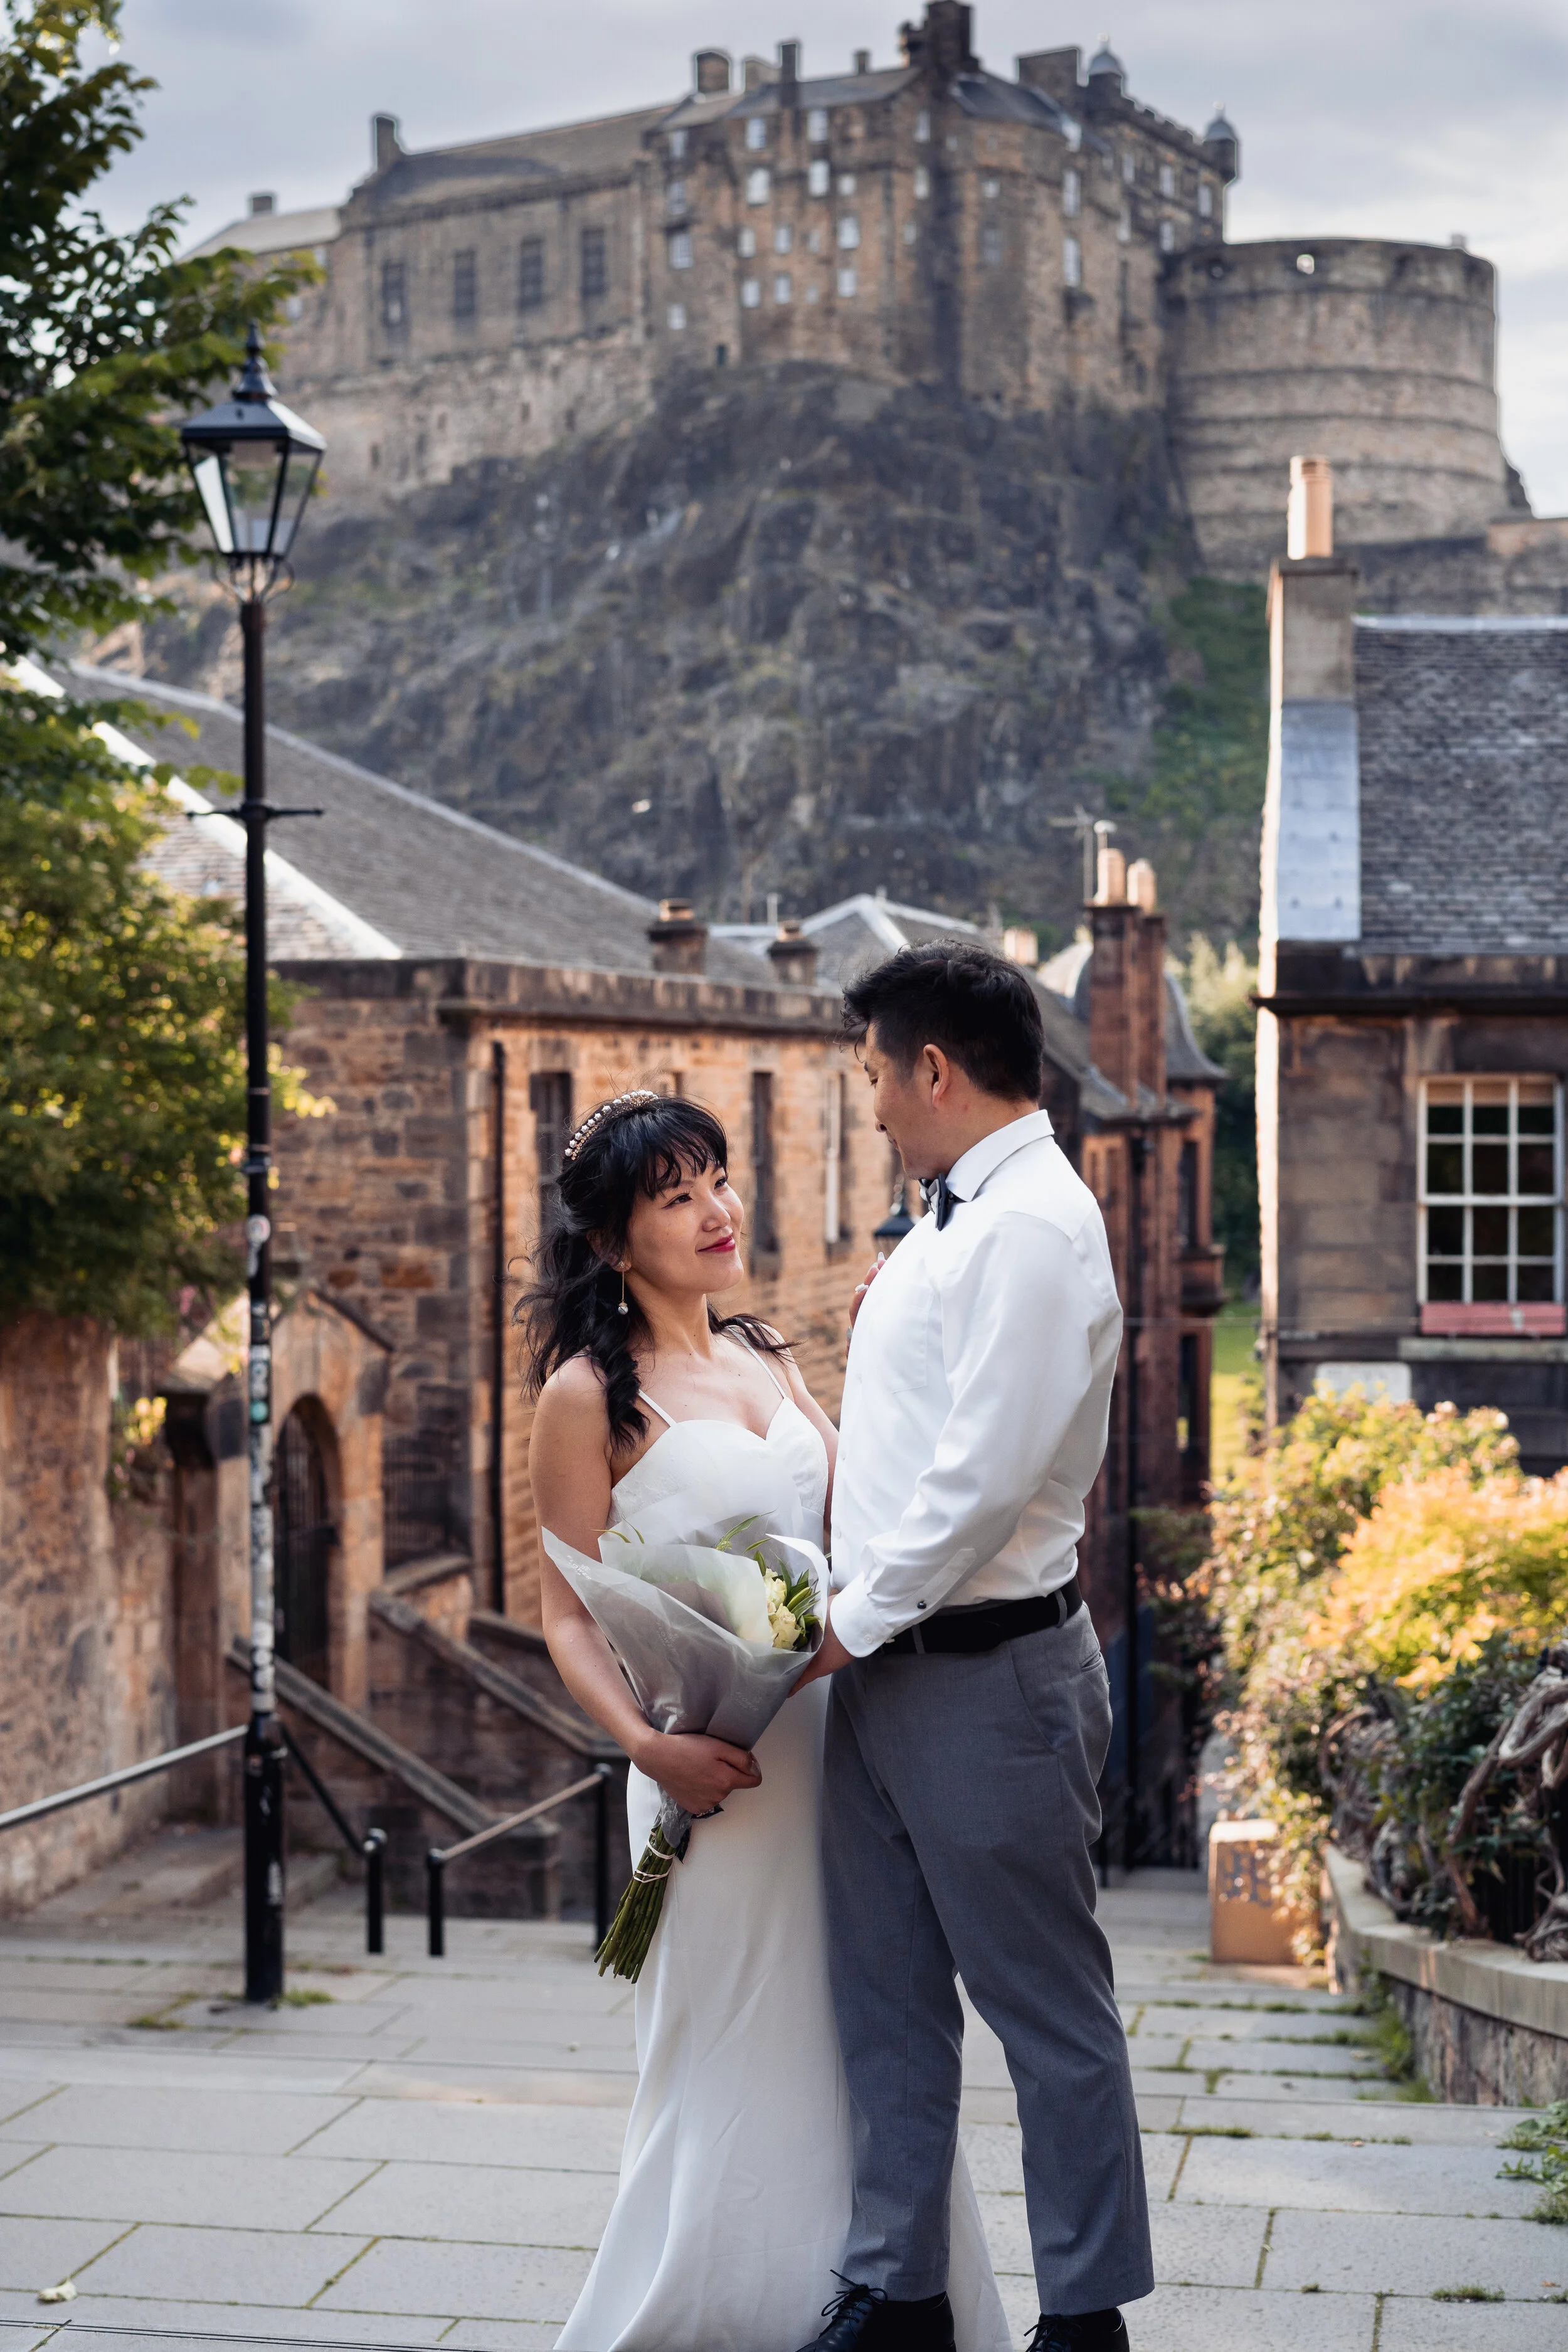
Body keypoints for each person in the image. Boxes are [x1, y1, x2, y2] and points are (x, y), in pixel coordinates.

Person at [522, 1090, 1010, 2352]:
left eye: (720, 1181)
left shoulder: (771, 1356)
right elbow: (569, 1617)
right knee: (726, 2043)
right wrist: (648, 1747)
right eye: (675, 1197)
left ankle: (885, 2298)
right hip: (708, 1775)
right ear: (611, 1242)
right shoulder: (583, 1398)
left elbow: (859, 1525)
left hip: (839, 1742)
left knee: (871, 2034)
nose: (715, 1212)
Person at [793, 944, 1154, 2352]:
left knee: (1046, 2017)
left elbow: (984, 1477)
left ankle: (1082, 2320)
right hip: (881, 1674)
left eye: (877, 1074)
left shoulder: (1030, 1228)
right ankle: (896, 2293)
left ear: (931, 1069)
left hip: (990, 1678)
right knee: (882, 2005)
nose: (873, 1104)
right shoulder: (946, 1216)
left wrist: (841, 1623)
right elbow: (893, 1458)